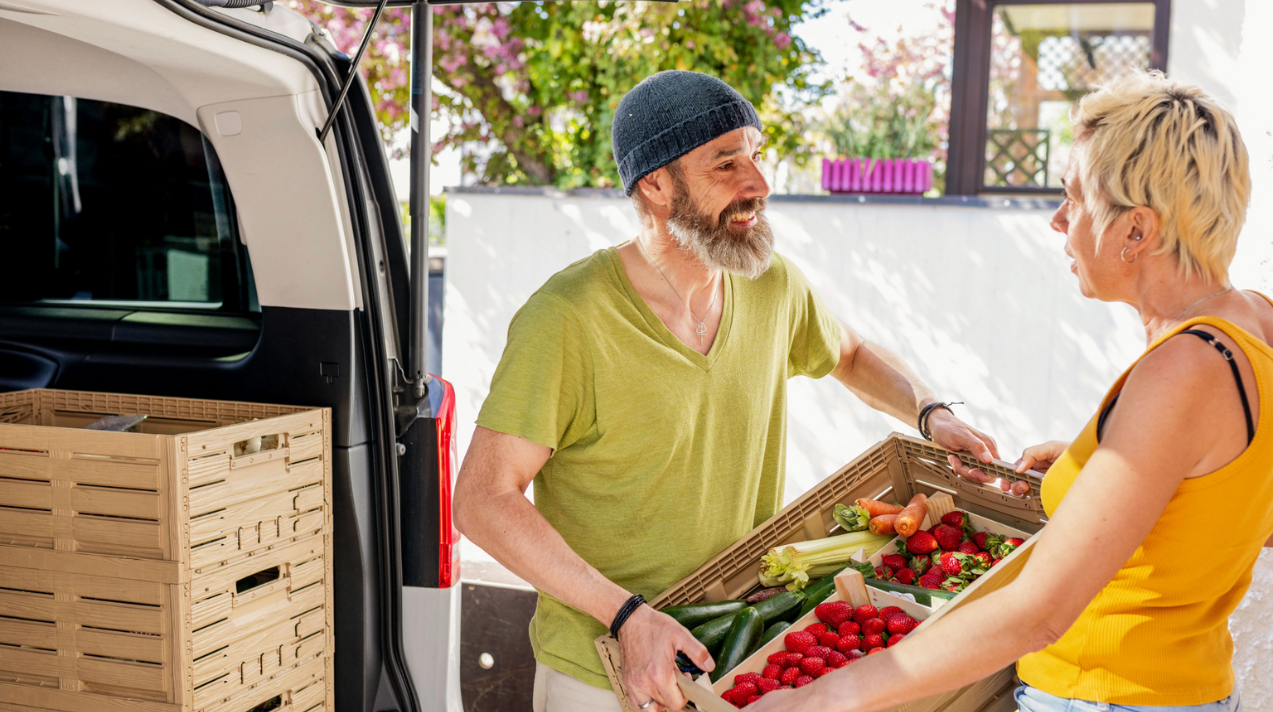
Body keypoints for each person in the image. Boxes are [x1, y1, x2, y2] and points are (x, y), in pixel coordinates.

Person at [451, 70, 1000, 712]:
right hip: (604, 678)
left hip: (738, 662)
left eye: (757, 157)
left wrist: (930, 414)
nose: (759, 185)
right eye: (726, 164)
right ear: (654, 184)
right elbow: (483, 499)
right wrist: (627, 615)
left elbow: (848, 353)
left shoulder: (771, 285)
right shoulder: (568, 318)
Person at [750, 71, 1273, 712]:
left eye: (1074, 200)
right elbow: (1236, 497)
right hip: (1186, 689)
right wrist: (1101, 470)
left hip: (1107, 695)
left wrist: (827, 697)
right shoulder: (1255, 322)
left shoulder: (1182, 372)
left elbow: (1040, 613)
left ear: (1136, 231)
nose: (1058, 221)